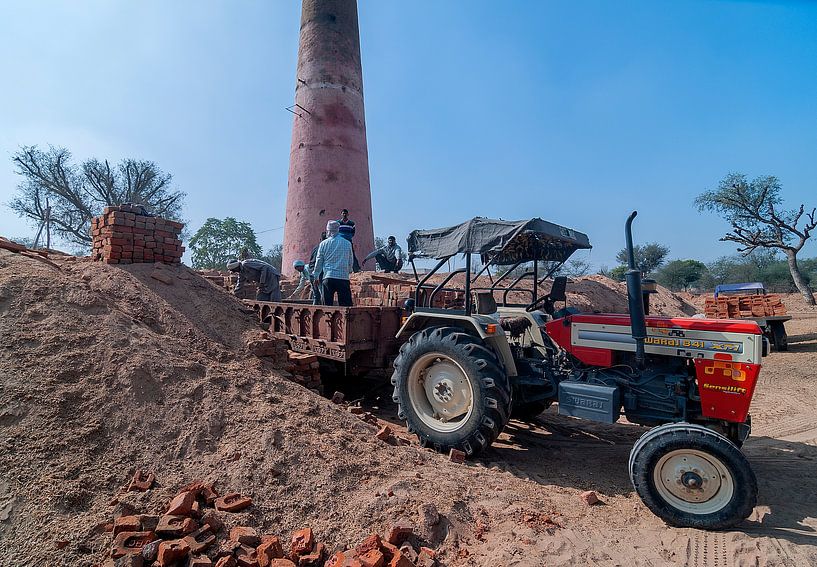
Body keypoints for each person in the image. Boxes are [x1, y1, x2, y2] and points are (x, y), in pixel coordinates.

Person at [314, 220, 353, 306]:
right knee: (346, 306)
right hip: (343, 278)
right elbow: (350, 260)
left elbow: (319, 260)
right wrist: (349, 270)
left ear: (328, 230)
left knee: (327, 307)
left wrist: (316, 275)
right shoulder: (347, 243)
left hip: (328, 277)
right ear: (338, 230)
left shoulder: (323, 244)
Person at [337, 208, 361, 272]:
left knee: (352, 254)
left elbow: (353, 233)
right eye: (343, 213)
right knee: (339, 254)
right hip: (340, 241)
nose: (344, 214)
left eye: (345, 213)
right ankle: (340, 269)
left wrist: (348, 236)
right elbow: (336, 231)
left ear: (348, 214)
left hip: (348, 240)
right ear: (341, 214)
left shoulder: (351, 223)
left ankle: (356, 269)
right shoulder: (338, 223)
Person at [308, 232, 326, 305]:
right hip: (319, 273)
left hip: (311, 272)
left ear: (320, 239)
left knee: (316, 295)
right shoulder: (324, 247)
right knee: (323, 293)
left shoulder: (315, 248)